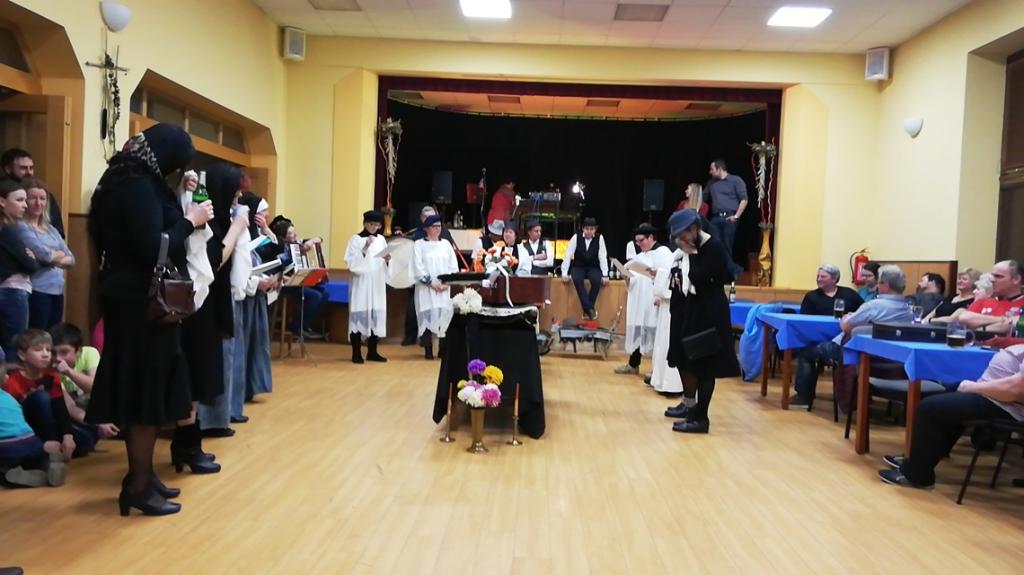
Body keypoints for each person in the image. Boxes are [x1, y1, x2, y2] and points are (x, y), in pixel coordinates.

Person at [88, 123, 214, 516]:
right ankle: (138, 485)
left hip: (128, 297)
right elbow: (153, 245)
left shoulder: (119, 178)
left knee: (145, 386)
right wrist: (190, 220)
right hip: (142, 303)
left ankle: (142, 475)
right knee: (145, 388)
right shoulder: (137, 185)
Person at [878, 344, 1024, 489]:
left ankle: (917, 476)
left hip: (1004, 406)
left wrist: (973, 387)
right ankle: (919, 460)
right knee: (948, 394)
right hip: (996, 398)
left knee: (930, 408)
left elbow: (1015, 390)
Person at [180, 163, 248, 453]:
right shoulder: (206, 220)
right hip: (197, 307)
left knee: (204, 374)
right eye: (234, 194)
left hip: (211, 305)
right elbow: (213, 261)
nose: (237, 199)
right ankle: (188, 442)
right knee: (196, 375)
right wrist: (237, 228)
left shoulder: (217, 218)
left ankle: (191, 442)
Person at [790, 265, 913, 407]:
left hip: (858, 354)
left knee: (806, 352)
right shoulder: (908, 309)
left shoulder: (874, 306)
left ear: (885, 285)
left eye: (879, 282)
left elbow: (846, 326)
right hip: (891, 359)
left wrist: (846, 318)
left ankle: (803, 397)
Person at [662, 209, 739, 433]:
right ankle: (693, 411)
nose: (681, 240)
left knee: (706, 368)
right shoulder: (691, 248)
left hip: (710, 313)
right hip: (694, 311)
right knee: (689, 363)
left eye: (684, 235)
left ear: (694, 229)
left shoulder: (713, 247)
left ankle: (702, 419)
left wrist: (692, 253)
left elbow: (699, 277)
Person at [2, 330, 79, 463]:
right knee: (41, 397)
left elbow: (60, 408)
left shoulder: (53, 376)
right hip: (29, 431)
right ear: (22, 355)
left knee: (85, 440)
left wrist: (68, 436)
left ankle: (55, 447)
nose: (45, 354)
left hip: (52, 425)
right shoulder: (12, 381)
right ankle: (45, 448)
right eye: (38, 350)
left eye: (48, 350)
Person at [50, 323, 118, 457]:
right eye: (53, 353)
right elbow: (70, 406)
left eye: (64, 352)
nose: (58, 358)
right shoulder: (51, 369)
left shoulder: (89, 353)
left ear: (78, 351)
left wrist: (69, 372)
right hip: (78, 415)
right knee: (85, 442)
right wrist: (97, 424)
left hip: (99, 407)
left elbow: (96, 389)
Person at [0, 355, 67, 488]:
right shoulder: (9, 398)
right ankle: (47, 465)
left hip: (5, 450)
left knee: (5, 467)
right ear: (5, 378)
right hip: (32, 443)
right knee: (33, 458)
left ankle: (8, 474)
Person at [15, 178, 74, 330]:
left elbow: (72, 259)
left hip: (57, 290)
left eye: (42, 198)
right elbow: (44, 254)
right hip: (37, 290)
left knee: (53, 336)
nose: (38, 203)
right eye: (33, 198)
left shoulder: (51, 229)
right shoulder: (21, 227)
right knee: (37, 335)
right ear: (25, 200)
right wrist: (57, 256)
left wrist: (52, 257)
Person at [616, 224, 672, 376]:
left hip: (653, 300)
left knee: (656, 335)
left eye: (641, 240)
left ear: (651, 237)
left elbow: (668, 274)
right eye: (637, 242)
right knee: (638, 329)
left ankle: (657, 371)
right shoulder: (640, 256)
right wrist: (627, 278)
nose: (639, 244)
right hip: (639, 300)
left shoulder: (663, 253)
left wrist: (659, 293)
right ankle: (633, 364)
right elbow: (636, 279)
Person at [403, 205, 458, 346]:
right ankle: (427, 349)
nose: (437, 229)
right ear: (426, 228)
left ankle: (442, 350)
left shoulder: (446, 244)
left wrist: (446, 283)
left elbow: (453, 265)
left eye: (439, 226)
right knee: (427, 316)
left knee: (443, 318)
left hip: (444, 288)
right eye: (434, 226)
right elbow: (417, 266)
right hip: (426, 288)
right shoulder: (419, 244)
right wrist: (431, 283)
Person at [0, 180, 39, 363]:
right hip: (13, 292)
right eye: (19, 200)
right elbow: (31, 265)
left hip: (9, 290)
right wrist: (31, 257)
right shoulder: (8, 231)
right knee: (14, 345)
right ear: (2, 201)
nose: (25, 205)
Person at [344, 210, 390, 364]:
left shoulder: (381, 239)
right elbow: (351, 263)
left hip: (377, 282)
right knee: (359, 314)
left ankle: (372, 351)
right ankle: (356, 352)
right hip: (362, 282)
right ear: (364, 223)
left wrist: (387, 259)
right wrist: (365, 248)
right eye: (371, 224)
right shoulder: (356, 239)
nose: (374, 227)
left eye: (377, 225)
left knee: (375, 315)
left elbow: (384, 261)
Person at [273, 217, 328, 339]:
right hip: (284, 284)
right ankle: (296, 326)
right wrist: (289, 278)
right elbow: (277, 271)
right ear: (283, 238)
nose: (295, 234)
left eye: (294, 231)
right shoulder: (279, 250)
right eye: (291, 233)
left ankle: (305, 325)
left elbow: (319, 239)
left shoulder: (297, 244)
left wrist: (310, 242)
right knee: (315, 296)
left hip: (297, 281)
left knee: (325, 293)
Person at [932, 261, 1023, 333]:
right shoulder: (983, 301)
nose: (991, 279)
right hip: (976, 347)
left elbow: (1018, 323)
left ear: (1016, 279)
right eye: (992, 275)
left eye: (998, 276)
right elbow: (964, 318)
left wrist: (979, 325)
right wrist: (1006, 321)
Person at [0, 148, 62, 238]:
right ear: (8, 169)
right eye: (23, 168)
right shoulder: (3, 192)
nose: (29, 172)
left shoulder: (44, 193)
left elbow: (59, 230)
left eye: (31, 168)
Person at [560, 217, 609, 321]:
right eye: (587, 229)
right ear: (583, 229)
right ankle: (589, 309)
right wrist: (564, 273)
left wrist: (605, 274)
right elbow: (567, 255)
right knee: (577, 279)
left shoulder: (600, 238)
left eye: (591, 229)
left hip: (593, 267)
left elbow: (602, 256)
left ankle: (587, 310)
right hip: (579, 266)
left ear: (595, 229)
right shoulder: (576, 237)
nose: (589, 231)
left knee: (596, 280)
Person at [705, 159, 747, 276]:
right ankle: (734, 269)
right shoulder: (711, 183)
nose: (710, 172)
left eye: (712, 169)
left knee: (726, 246)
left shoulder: (736, 180)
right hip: (715, 218)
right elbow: (702, 198)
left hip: (729, 217)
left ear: (719, 169)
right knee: (715, 244)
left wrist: (736, 216)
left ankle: (727, 273)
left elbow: (744, 199)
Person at [800, 264, 864, 316]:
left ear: (834, 279)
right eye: (818, 276)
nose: (819, 279)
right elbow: (804, 318)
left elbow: (864, 311)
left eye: (823, 277)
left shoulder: (849, 293)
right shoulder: (811, 296)